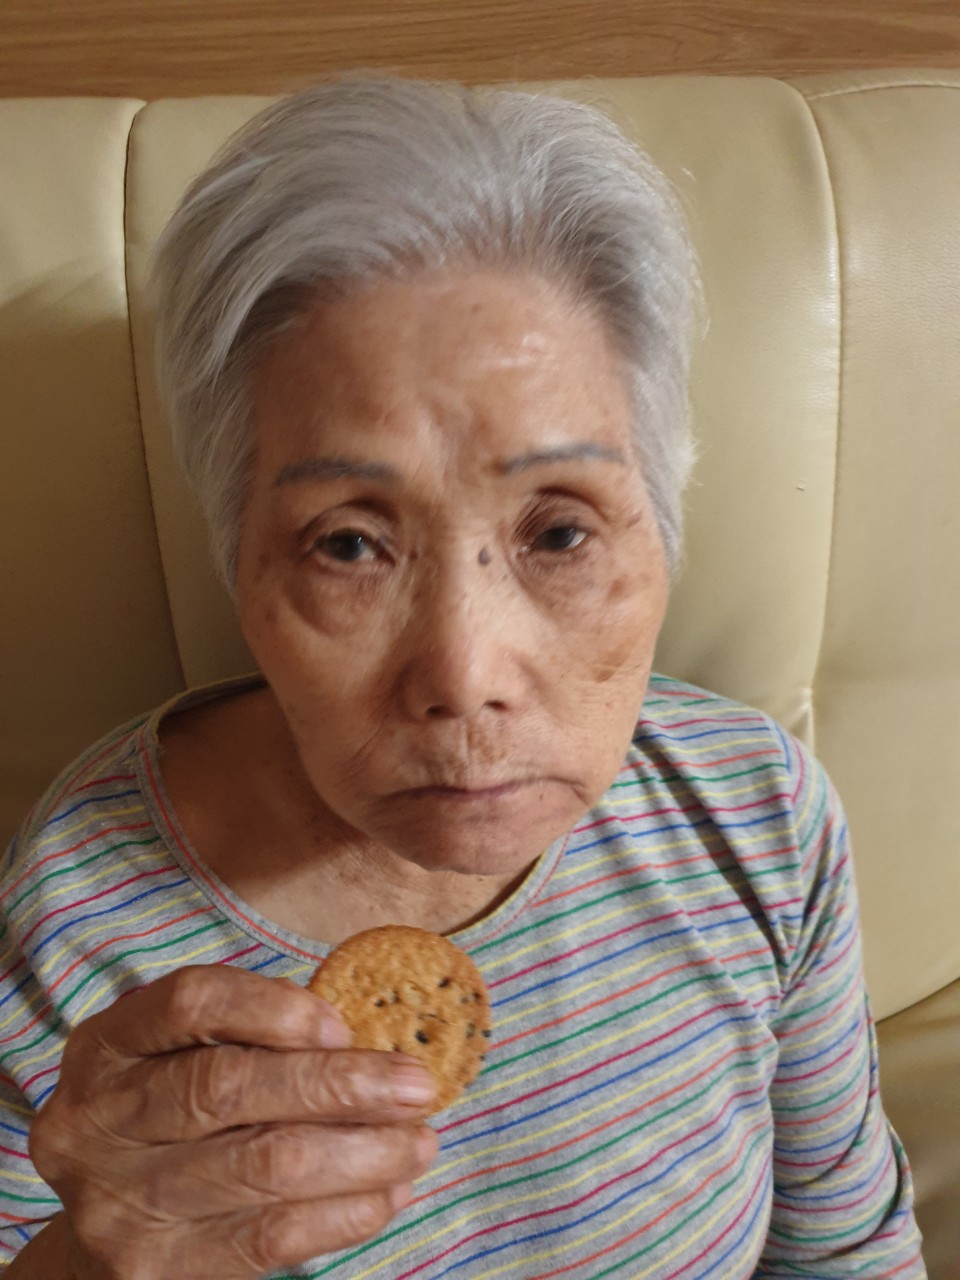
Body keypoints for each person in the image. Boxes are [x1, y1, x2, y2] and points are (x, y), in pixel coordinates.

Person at [0, 78, 925, 1278]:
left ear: (662, 529)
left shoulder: (759, 819)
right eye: (348, 544)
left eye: (561, 531)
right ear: (237, 561)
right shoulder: (80, 920)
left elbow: (850, 1252)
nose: (466, 672)